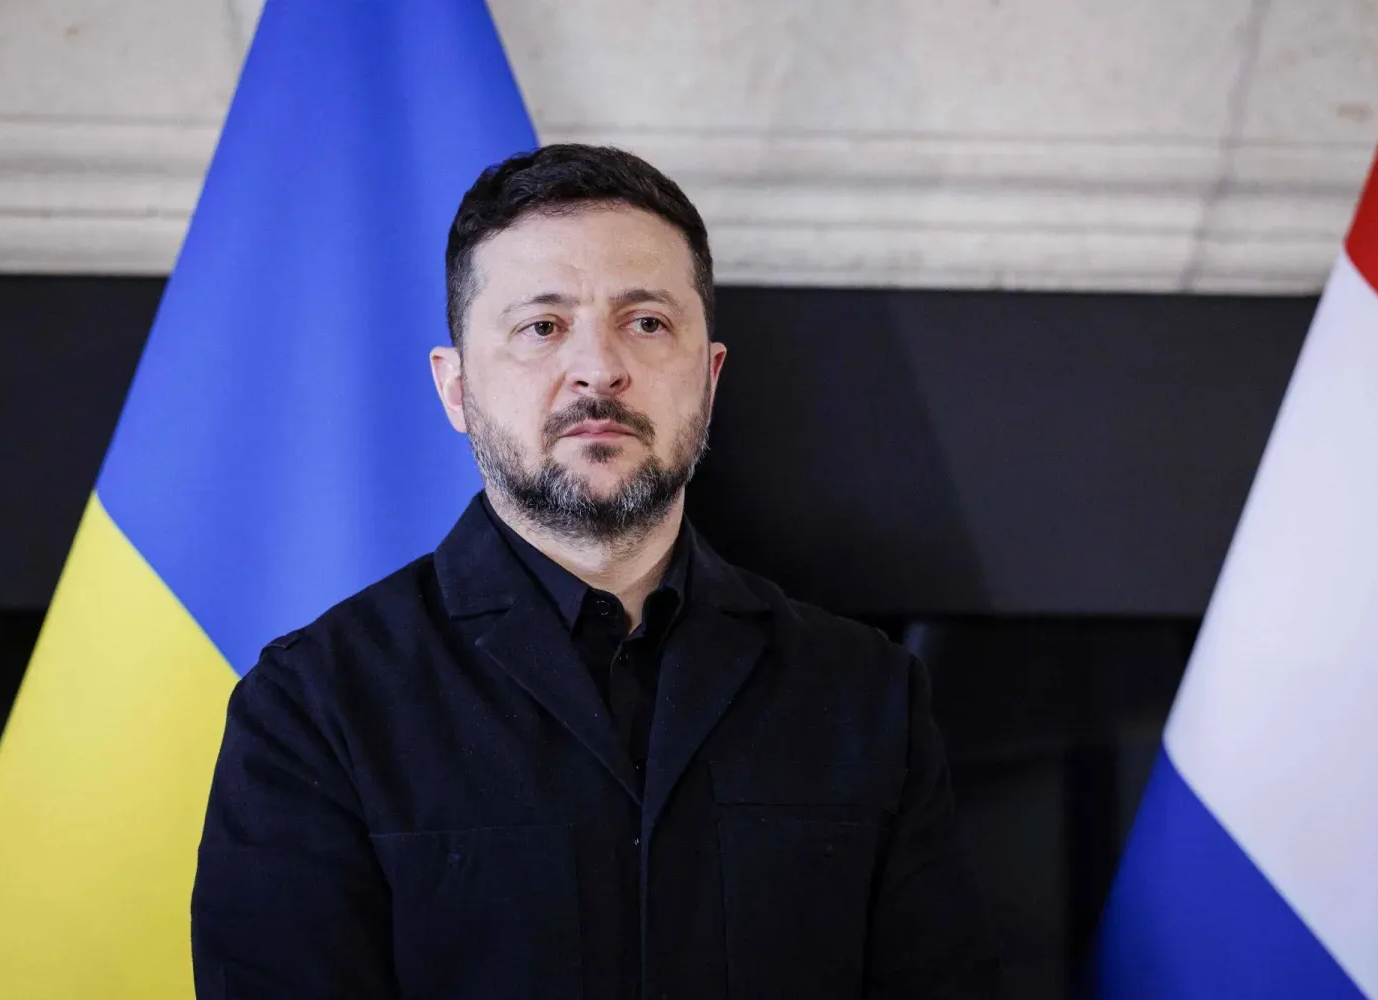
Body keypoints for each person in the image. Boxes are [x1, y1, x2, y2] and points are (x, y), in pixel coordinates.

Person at [191, 143, 1004, 999]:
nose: (599, 368)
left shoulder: (868, 694)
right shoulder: (313, 706)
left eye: (645, 322)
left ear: (709, 377)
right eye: (542, 327)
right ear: (455, 388)